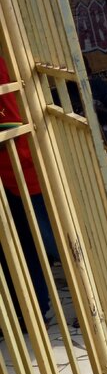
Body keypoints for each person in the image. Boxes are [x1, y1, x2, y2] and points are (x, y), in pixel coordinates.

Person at [0, 54, 52, 324]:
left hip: (24, 169)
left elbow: (9, 124)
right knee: (23, 245)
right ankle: (31, 311)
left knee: (51, 243)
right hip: (14, 174)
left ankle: (95, 301)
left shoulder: (4, 64)